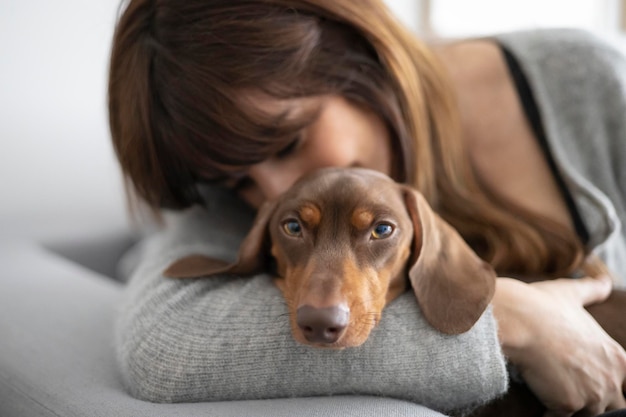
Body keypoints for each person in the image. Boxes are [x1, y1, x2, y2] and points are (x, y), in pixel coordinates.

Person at [108, 0, 626, 415]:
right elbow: (165, 347)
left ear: (356, 57)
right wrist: (511, 324)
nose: (275, 190)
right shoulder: (236, 190)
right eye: (237, 179)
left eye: (289, 141)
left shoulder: (594, 83)